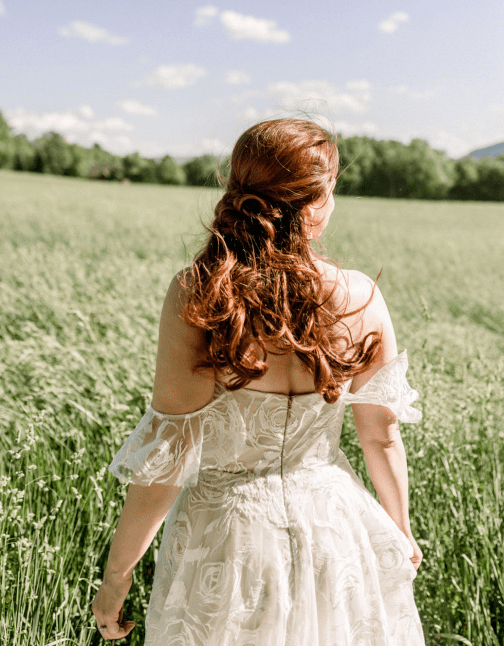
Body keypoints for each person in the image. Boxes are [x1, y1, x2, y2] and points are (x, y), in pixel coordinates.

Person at [92, 118, 425, 645]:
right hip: (338, 532)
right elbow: (381, 436)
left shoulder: (200, 294)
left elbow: (170, 455)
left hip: (226, 539)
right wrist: (398, 528)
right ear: (316, 202)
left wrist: (117, 578)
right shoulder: (361, 297)